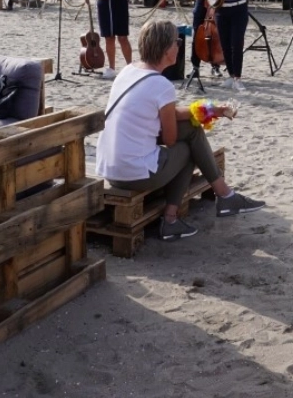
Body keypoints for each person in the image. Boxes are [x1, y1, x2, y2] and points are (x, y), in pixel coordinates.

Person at [96, 18, 264, 241]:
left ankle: (224, 195)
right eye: (176, 42)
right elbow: (171, 137)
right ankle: (174, 217)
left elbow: (168, 114)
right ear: (166, 50)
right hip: (133, 173)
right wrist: (200, 118)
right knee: (187, 148)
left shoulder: (128, 71)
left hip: (109, 166)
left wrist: (211, 110)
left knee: (192, 131)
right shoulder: (161, 85)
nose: (179, 46)